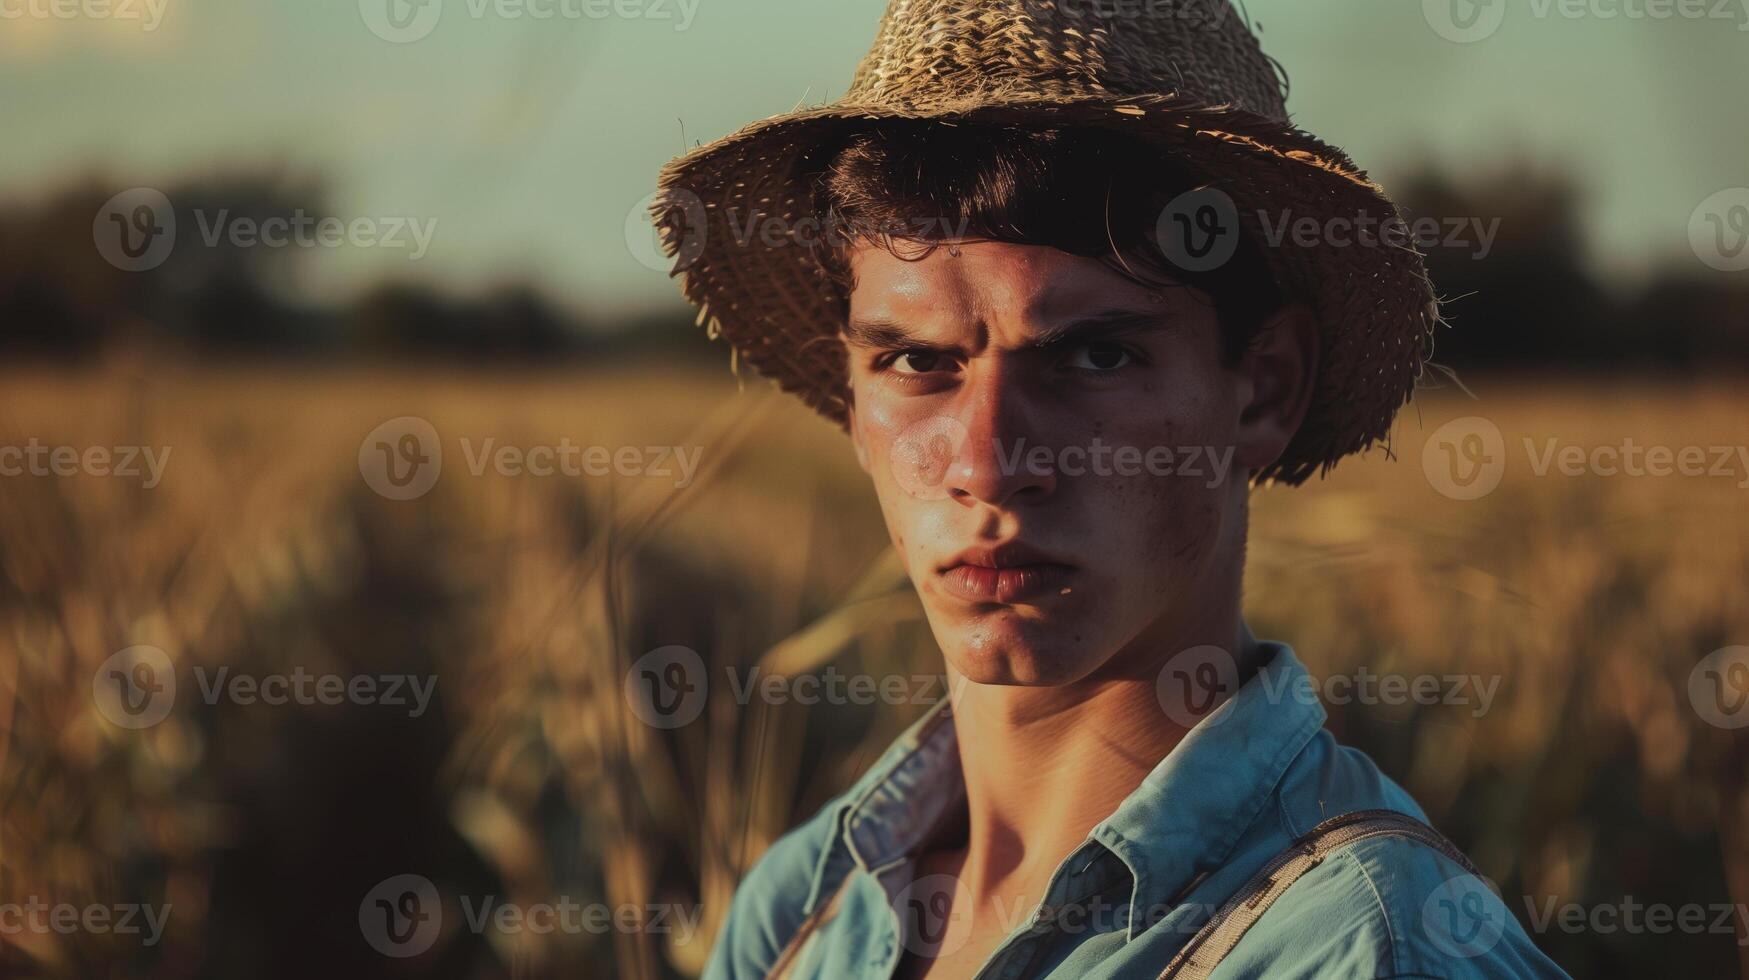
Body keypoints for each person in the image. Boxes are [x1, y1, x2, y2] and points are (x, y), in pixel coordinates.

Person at [652, 1, 1570, 976]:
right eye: (918, 359)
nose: (988, 463)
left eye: (1094, 354)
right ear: (850, 393)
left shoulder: (1358, 945)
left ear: (1264, 388)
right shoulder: (801, 912)